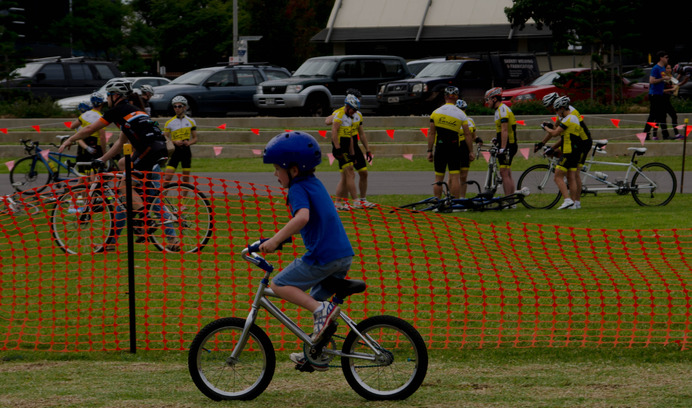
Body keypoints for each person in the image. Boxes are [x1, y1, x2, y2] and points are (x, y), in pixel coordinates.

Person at [259, 131, 354, 370]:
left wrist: (274, 240)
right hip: (342, 255)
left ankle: (322, 311)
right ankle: (315, 354)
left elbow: (303, 217)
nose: (274, 174)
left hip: (323, 256)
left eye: (277, 169)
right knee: (316, 301)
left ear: (293, 170)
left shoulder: (297, 188)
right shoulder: (314, 183)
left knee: (280, 284)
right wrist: (283, 240)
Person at [58, 78, 178, 252]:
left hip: (148, 152)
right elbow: (121, 142)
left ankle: (150, 223)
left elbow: (89, 129)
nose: (107, 99)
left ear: (115, 96)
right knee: (123, 200)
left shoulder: (117, 110)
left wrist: (69, 139)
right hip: (156, 150)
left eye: (108, 95)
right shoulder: (133, 112)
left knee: (132, 190)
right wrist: (103, 159)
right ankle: (111, 242)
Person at [535, 92, 592, 207]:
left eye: (550, 107)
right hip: (573, 143)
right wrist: (542, 143)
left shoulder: (571, 114)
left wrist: (552, 146)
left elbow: (560, 134)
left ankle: (576, 202)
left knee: (574, 174)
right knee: (570, 173)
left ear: (556, 104)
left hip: (582, 143)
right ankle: (571, 201)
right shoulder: (562, 112)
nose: (551, 111)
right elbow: (557, 130)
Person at [325, 88, 375, 208]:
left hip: (352, 143)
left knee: (363, 172)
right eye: (357, 100)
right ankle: (349, 201)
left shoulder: (356, 114)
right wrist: (336, 116)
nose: (359, 103)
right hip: (342, 144)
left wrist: (367, 149)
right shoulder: (341, 113)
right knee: (348, 174)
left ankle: (359, 200)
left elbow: (361, 134)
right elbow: (328, 123)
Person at [427, 86, 474, 200]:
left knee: (438, 178)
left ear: (445, 97)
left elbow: (431, 133)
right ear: (456, 97)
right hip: (454, 148)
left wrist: (429, 150)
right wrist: (471, 151)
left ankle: (437, 203)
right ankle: (455, 203)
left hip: (440, 147)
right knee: (454, 177)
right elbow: (467, 134)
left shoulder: (435, 112)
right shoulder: (461, 114)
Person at [330, 94, 362, 210]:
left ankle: (338, 203)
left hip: (346, 148)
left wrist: (353, 154)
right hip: (339, 148)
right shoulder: (340, 115)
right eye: (353, 110)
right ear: (347, 107)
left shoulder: (349, 118)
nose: (354, 113)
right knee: (350, 173)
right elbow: (334, 132)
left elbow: (350, 139)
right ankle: (355, 201)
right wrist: (337, 148)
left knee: (344, 177)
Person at [485, 87, 517, 197]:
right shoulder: (499, 110)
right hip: (507, 144)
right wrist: (497, 140)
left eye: (487, 99)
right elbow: (501, 131)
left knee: (504, 172)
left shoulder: (502, 110)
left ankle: (509, 199)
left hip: (509, 144)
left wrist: (502, 147)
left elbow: (504, 130)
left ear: (494, 99)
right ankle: (511, 199)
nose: (487, 102)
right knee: (507, 172)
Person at [69, 92, 107, 177]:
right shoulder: (101, 117)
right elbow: (102, 137)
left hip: (83, 146)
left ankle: (81, 189)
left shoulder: (84, 115)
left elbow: (72, 126)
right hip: (95, 146)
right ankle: (92, 189)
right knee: (94, 172)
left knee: (83, 175)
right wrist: (104, 153)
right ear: (102, 104)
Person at [163, 96, 198, 187]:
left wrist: (189, 142)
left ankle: (183, 200)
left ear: (184, 107)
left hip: (186, 151)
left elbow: (195, 138)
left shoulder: (191, 121)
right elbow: (165, 139)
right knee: (167, 178)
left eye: (179, 106)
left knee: (185, 179)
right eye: (175, 106)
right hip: (175, 151)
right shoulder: (169, 122)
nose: (177, 108)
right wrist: (174, 142)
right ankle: (161, 199)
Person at [642, 51, 671, 140]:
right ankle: (645, 134)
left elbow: (661, 80)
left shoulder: (662, 68)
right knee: (653, 115)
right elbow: (652, 81)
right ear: (661, 58)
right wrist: (663, 78)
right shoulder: (656, 68)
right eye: (666, 57)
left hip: (660, 94)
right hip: (654, 95)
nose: (667, 59)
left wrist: (667, 80)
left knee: (662, 115)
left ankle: (665, 135)